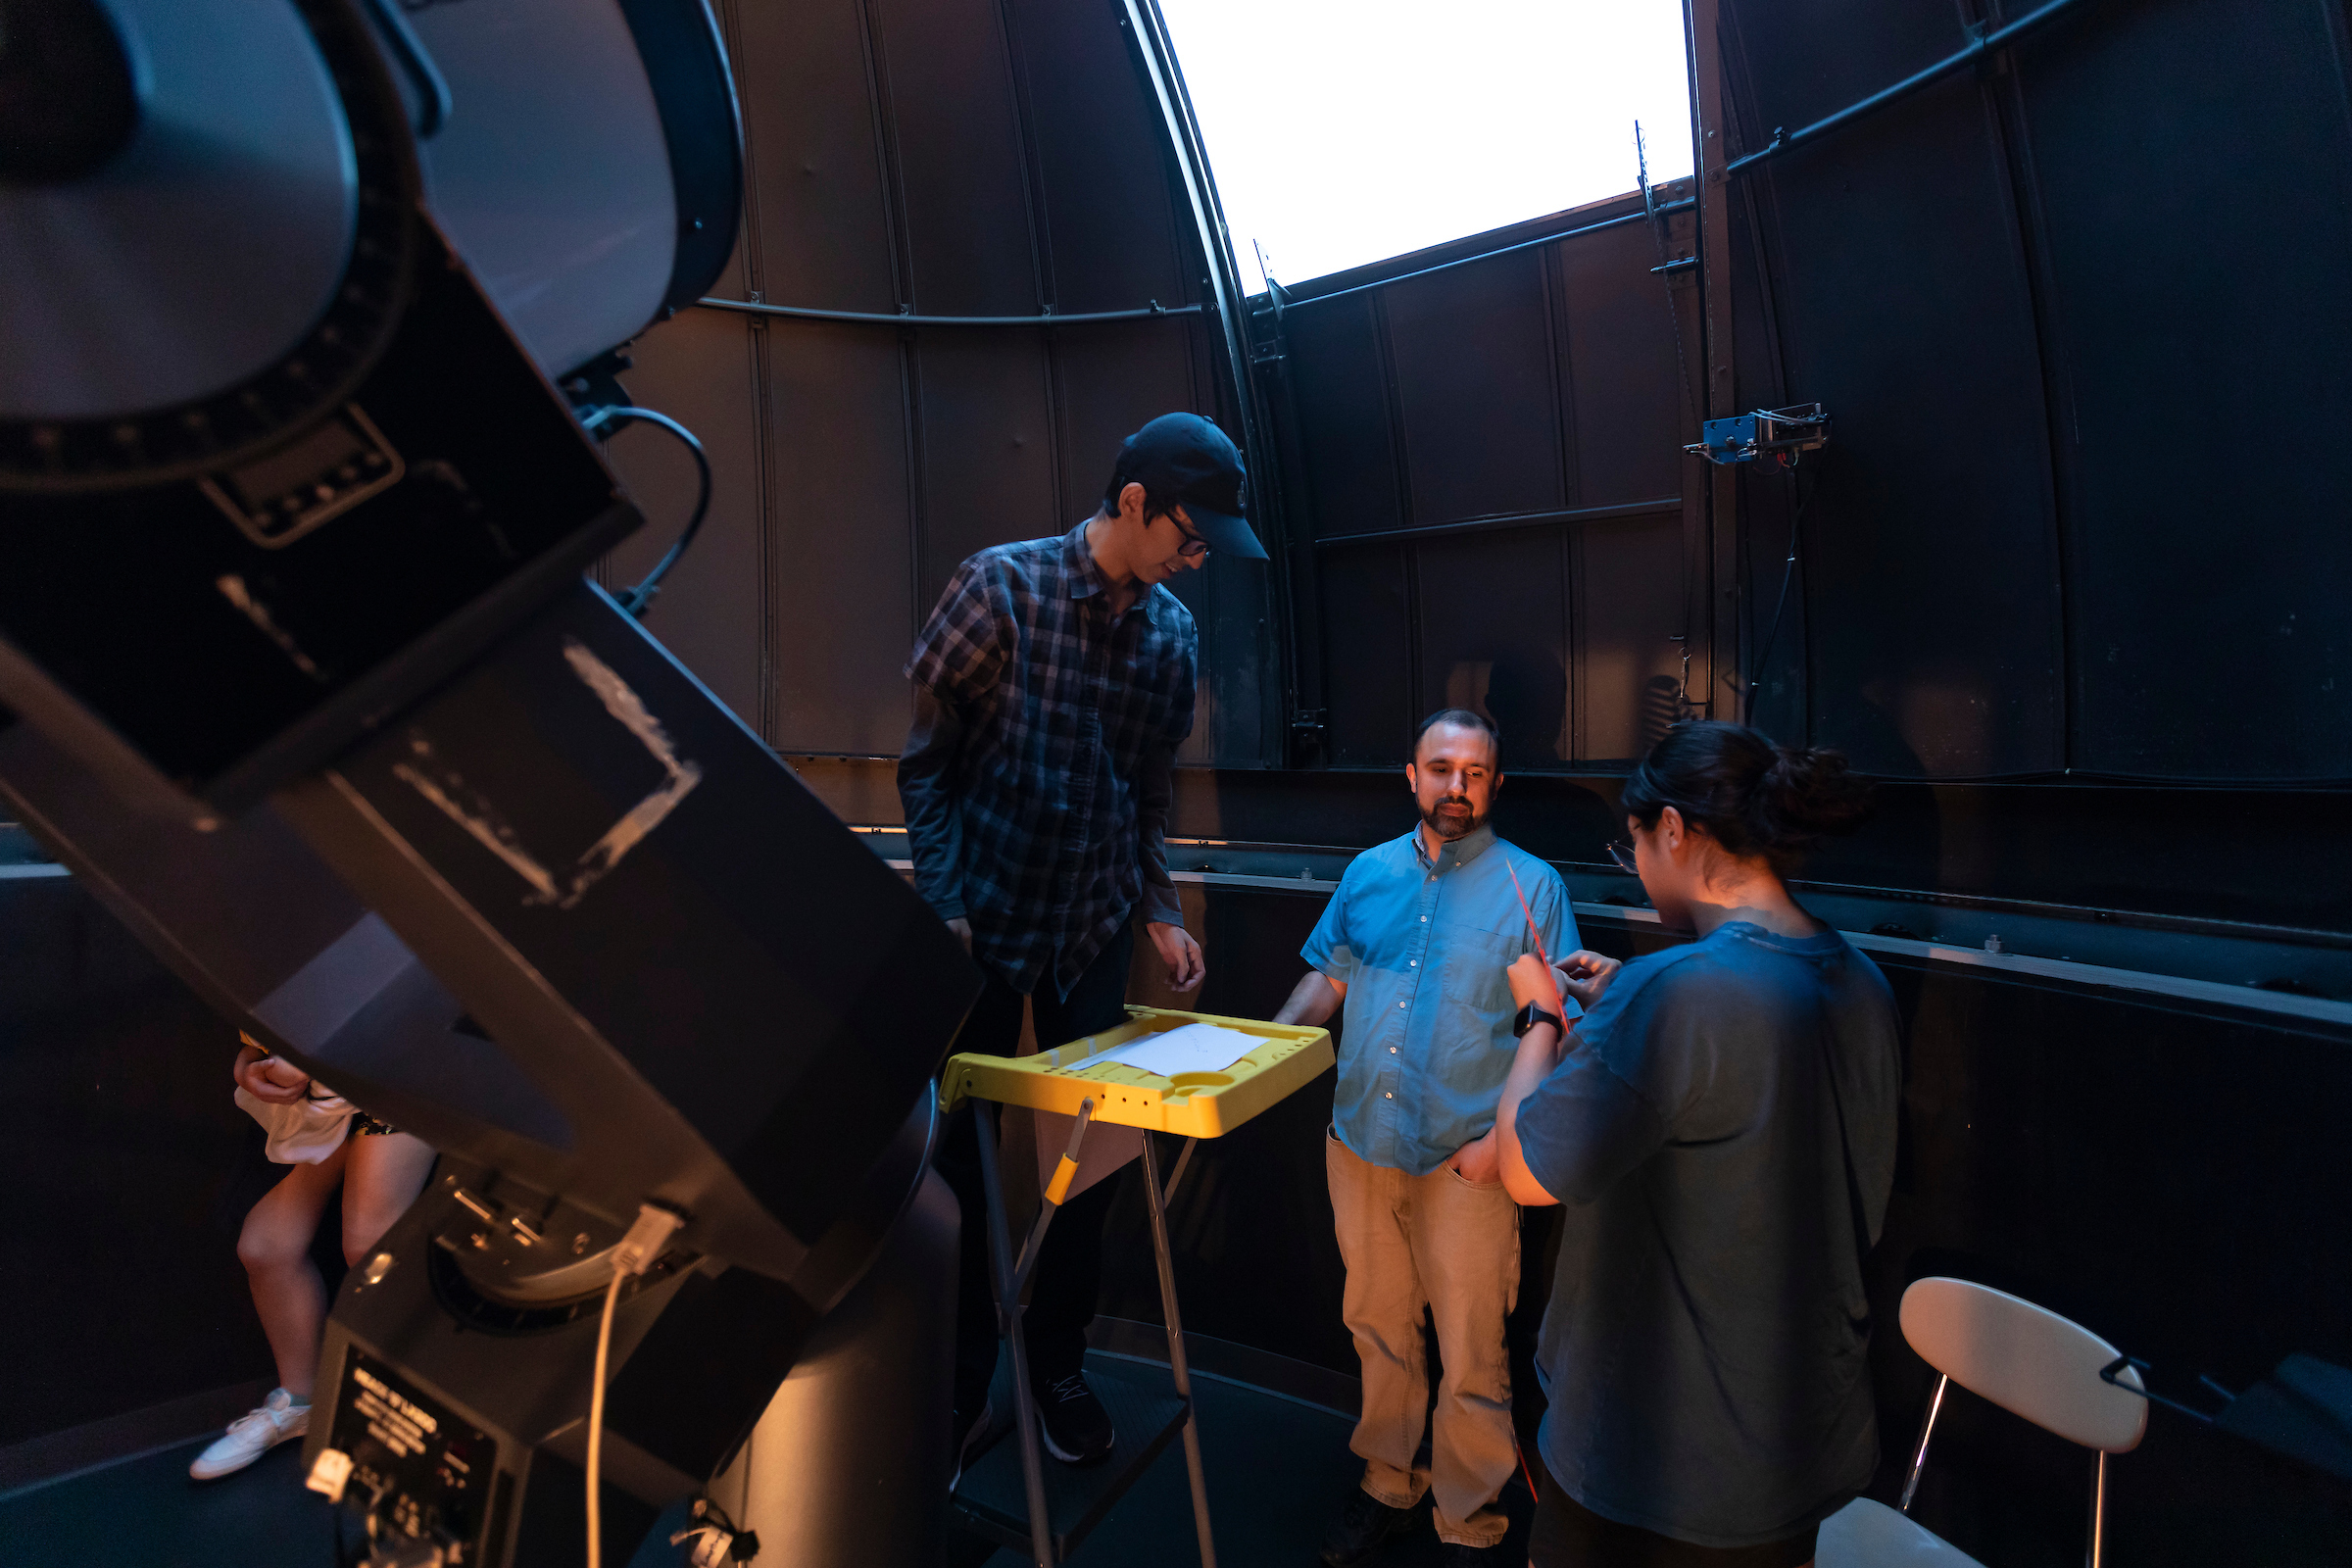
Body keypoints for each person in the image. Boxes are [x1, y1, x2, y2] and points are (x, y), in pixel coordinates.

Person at [900, 412, 1266, 1474]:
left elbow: (1148, 792)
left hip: (1095, 923)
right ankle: (959, 1382)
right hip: (982, 920)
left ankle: (1056, 1367)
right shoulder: (996, 588)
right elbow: (925, 763)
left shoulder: (1174, 635)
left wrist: (1157, 905)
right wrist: (946, 899)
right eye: (1192, 535)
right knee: (959, 1168)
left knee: (1086, 1161)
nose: (1200, 559)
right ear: (1136, 500)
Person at [1490, 721, 1899, 1568]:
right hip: (1792, 1454)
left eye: (1633, 843)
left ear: (1672, 830)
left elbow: (1525, 1173)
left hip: (1655, 1467)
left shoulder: (1672, 994)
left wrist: (1541, 1016)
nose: (1636, 866)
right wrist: (1625, 1007)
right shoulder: (1861, 980)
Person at [1270, 709, 1579, 1568]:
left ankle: (1469, 1520)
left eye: (1473, 772)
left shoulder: (1534, 887)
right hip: (1360, 1145)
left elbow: (1549, 1028)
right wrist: (1267, 1046)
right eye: (1440, 768)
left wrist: (1498, 1150)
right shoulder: (1367, 873)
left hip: (1466, 1161)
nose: (1455, 786)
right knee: (1377, 1326)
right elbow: (1328, 978)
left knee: (1475, 1351)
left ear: (1496, 785)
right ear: (1412, 776)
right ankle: (1387, 1485)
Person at [189, 1035, 435, 1481]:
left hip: (401, 1066)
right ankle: (300, 1404)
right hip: (325, 1080)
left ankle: (413, 1429)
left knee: (368, 1247)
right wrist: (251, 1060)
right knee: (265, 1246)